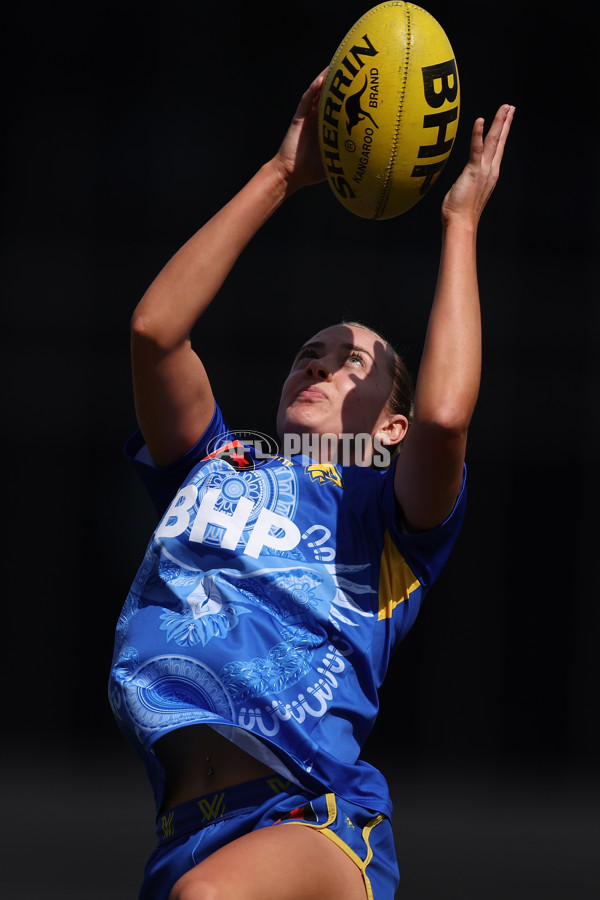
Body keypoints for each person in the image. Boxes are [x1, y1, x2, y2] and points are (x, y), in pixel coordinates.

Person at [109, 68, 514, 900]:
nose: (323, 363)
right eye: (311, 353)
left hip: (311, 820)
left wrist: (461, 221)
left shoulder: (388, 514)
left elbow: (443, 417)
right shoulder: (216, 464)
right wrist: (282, 174)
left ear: (389, 426)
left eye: (353, 359)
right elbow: (155, 332)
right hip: (187, 833)